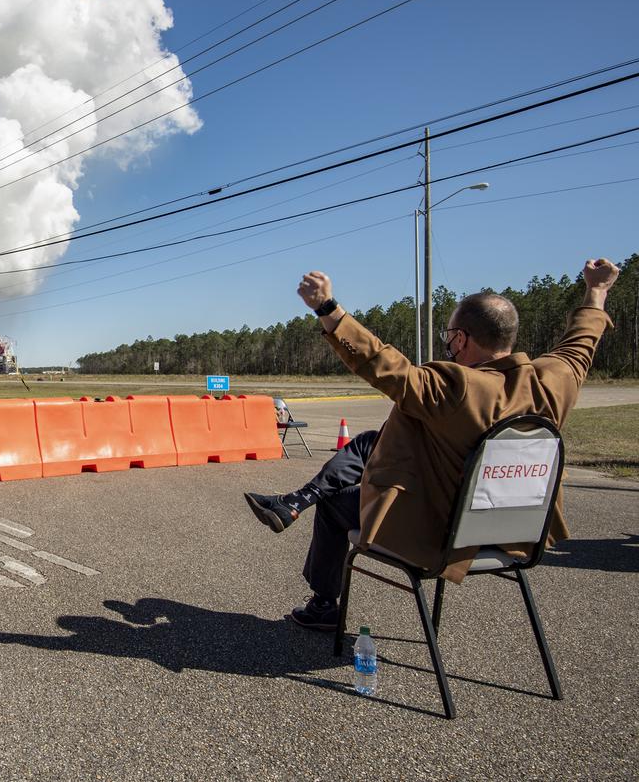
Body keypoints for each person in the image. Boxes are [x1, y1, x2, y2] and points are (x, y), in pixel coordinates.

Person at [244, 259, 618, 631]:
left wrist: (327, 308)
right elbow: (581, 342)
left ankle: (324, 603)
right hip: (519, 536)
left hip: (442, 534)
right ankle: (295, 502)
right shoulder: (557, 380)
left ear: (461, 339)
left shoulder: (456, 386)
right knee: (369, 442)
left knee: (332, 507)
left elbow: (382, 364)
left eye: (450, 337)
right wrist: (596, 291)